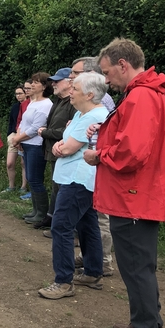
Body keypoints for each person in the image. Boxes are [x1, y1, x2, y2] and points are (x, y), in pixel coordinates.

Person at [82, 38, 165, 328]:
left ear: (123, 64)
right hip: (139, 195)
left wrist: (99, 154)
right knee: (139, 266)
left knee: (135, 267)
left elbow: (132, 152)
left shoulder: (141, 98)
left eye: (107, 72)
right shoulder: (148, 94)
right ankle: (148, 323)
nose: (106, 80)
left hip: (133, 196)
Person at [37, 72, 109, 300]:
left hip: (78, 179)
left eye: (75, 88)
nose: (70, 91)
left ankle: (63, 281)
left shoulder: (94, 115)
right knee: (88, 224)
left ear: (89, 94)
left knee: (61, 226)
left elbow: (68, 148)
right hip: (75, 176)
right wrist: (63, 145)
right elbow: (66, 141)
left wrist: (63, 147)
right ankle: (93, 272)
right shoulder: (82, 113)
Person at [69, 56, 115, 276]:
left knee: (100, 219)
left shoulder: (101, 103)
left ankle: (103, 261)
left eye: (75, 74)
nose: (71, 78)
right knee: (90, 218)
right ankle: (93, 259)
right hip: (89, 168)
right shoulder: (86, 103)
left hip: (95, 170)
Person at [34, 67, 76, 229]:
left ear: (69, 82)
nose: (53, 84)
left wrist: (46, 132)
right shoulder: (59, 100)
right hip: (53, 150)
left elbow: (70, 130)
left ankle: (61, 224)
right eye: (53, 81)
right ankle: (52, 217)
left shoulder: (73, 103)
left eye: (57, 81)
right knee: (55, 186)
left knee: (62, 188)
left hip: (64, 151)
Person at [11, 72, 53, 225]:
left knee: (36, 179)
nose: (32, 85)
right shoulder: (33, 102)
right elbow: (23, 122)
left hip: (36, 145)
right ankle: (35, 211)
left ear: (44, 86)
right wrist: (19, 138)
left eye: (36, 82)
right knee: (30, 177)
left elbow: (36, 128)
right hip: (27, 143)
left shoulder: (46, 104)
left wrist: (18, 138)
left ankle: (42, 213)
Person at [3, 84, 28, 193]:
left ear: (25, 93)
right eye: (16, 94)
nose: (18, 96)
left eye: (20, 93)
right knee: (10, 163)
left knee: (23, 163)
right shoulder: (15, 107)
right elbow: (12, 123)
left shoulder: (30, 105)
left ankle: (23, 187)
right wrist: (10, 135)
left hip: (25, 135)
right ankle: (11, 186)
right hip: (13, 135)